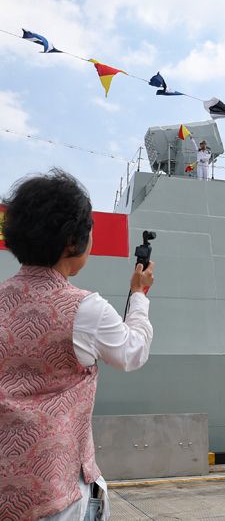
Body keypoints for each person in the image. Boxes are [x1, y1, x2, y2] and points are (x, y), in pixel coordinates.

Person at [0, 169, 155, 521]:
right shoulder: (85, 309)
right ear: (73, 241)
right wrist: (139, 294)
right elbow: (132, 352)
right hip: (58, 495)